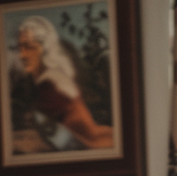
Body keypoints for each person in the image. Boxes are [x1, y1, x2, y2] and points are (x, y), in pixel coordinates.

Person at [15, 16, 114, 151]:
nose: (22, 55)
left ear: (44, 48)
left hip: (93, 147)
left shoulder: (49, 85)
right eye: (20, 47)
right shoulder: (53, 78)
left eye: (28, 47)